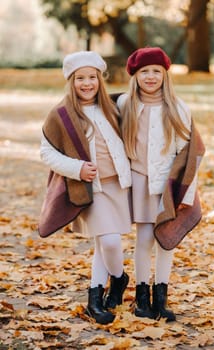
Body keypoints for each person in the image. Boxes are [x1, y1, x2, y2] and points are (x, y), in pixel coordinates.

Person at [40, 51, 132, 325]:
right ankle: (118, 279)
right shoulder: (61, 115)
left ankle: (95, 298)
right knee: (109, 241)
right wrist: (77, 168)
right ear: (71, 81)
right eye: (81, 78)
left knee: (102, 244)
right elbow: (47, 153)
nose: (87, 83)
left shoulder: (112, 107)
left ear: (100, 80)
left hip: (118, 184)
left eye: (92, 77)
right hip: (92, 188)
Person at [117, 47, 200, 322]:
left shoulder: (177, 107)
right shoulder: (125, 104)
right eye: (144, 72)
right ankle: (142, 297)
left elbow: (188, 154)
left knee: (166, 241)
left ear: (165, 75)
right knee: (143, 240)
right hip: (139, 181)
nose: (150, 77)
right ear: (135, 75)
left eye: (156, 71)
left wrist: (184, 192)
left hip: (167, 183)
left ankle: (160, 297)